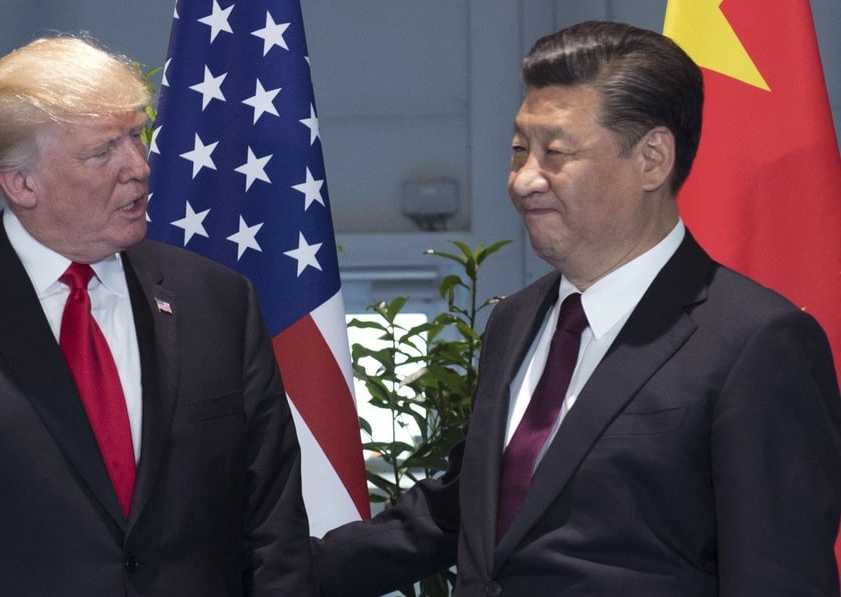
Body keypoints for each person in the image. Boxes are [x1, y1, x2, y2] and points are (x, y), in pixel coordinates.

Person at [314, 20, 841, 596]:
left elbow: (778, 577)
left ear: (653, 159)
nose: (523, 180)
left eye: (555, 153)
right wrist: (266, 569)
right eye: (518, 150)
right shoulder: (514, 320)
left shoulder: (755, 342)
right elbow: (461, 510)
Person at [0, 35, 316, 596]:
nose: (139, 167)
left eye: (136, 136)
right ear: (20, 182)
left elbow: (274, 533)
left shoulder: (219, 301)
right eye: (102, 150)